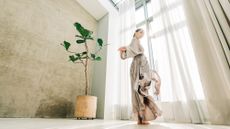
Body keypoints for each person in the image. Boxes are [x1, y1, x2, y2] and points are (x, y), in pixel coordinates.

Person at [118, 29, 162, 125]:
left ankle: (141, 118)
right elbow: (132, 50)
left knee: (138, 92)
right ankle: (141, 118)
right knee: (140, 91)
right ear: (135, 33)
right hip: (138, 67)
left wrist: (124, 50)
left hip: (141, 66)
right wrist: (125, 49)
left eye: (143, 33)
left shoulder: (136, 42)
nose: (142, 34)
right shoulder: (134, 40)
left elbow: (129, 51)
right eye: (140, 32)